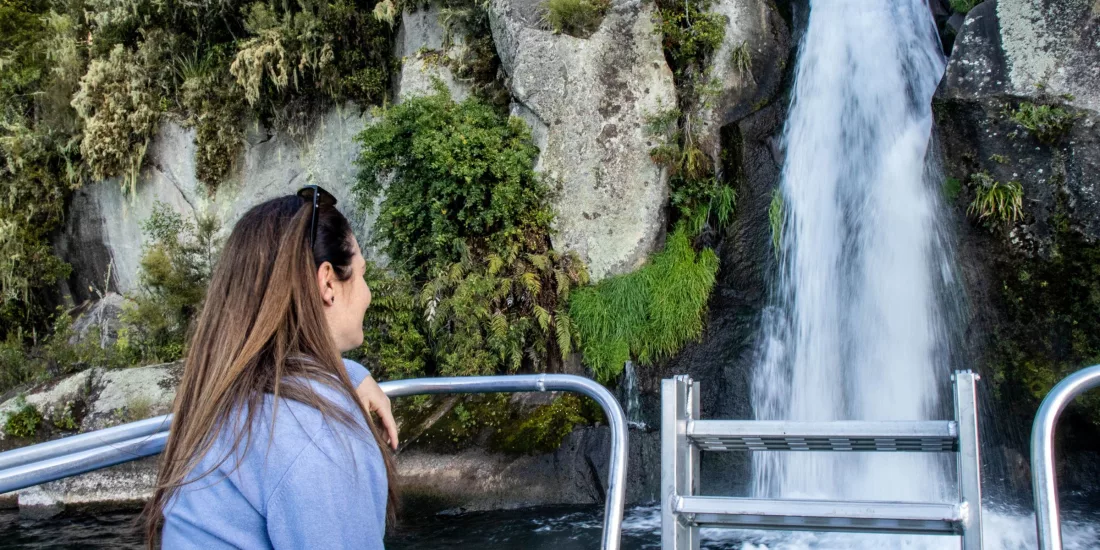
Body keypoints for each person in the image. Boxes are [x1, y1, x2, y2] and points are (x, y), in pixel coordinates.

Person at [144, 186, 398, 548]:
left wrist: (351, 374)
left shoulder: (230, 396)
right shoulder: (320, 434)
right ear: (328, 282)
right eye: (360, 273)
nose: (368, 292)